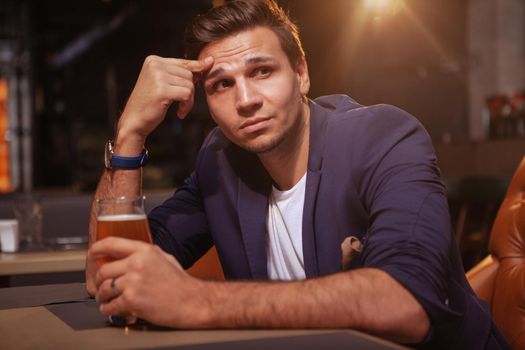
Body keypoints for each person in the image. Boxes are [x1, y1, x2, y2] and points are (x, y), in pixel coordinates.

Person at [85, 0, 509, 348]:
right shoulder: (220, 159)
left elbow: (407, 305)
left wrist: (194, 299)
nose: (246, 99)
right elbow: (110, 277)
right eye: (222, 85)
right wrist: (130, 134)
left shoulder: (383, 137)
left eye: (262, 71)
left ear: (302, 73)